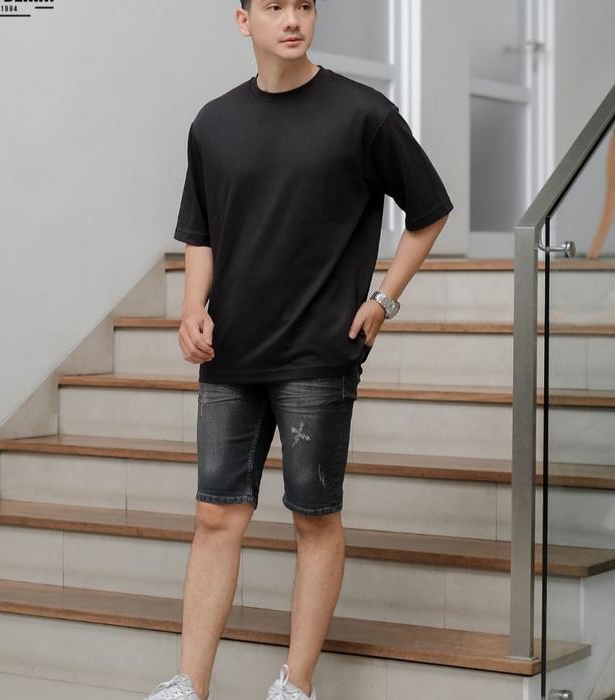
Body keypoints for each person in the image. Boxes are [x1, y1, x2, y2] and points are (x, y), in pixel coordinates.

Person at [145, 1, 453, 698]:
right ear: (243, 20)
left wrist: (384, 300)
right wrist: (192, 309)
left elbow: (429, 211)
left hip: (318, 354)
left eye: (305, 6)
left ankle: (296, 685)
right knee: (215, 517)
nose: (293, 20)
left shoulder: (363, 115)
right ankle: (189, 683)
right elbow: (201, 233)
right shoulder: (213, 122)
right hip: (230, 355)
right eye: (276, 7)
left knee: (314, 518)